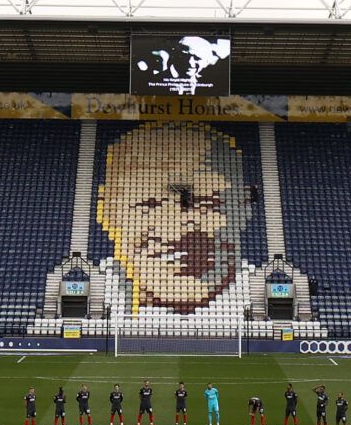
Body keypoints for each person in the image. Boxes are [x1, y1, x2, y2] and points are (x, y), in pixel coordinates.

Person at [93, 120, 258, 325]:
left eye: (206, 204)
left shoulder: (256, 284)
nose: (177, 228)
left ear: (244, 209)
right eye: (149, 205)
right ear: (108, 212)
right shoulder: (95, 282)